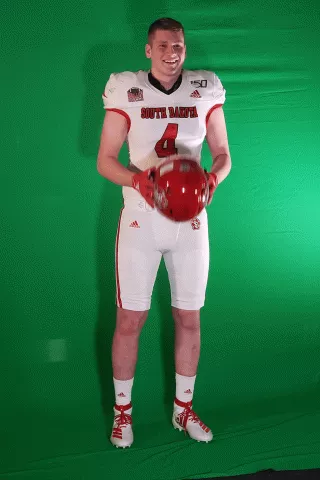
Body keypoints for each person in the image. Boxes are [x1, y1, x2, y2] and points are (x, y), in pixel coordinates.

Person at [97, 17, 232, 448]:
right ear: (147, 50)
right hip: (141, 215)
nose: (172, 54)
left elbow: (224, 154)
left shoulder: (205, 87)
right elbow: (105, 159)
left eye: (178, 46)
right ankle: (123, 413)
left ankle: (183, 410)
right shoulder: (127, 88)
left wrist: (213, 180)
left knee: (188, 318)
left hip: (191, 221)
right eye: (163, 46)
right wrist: (139, 181)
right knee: (130, 319)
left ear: (184, 49)